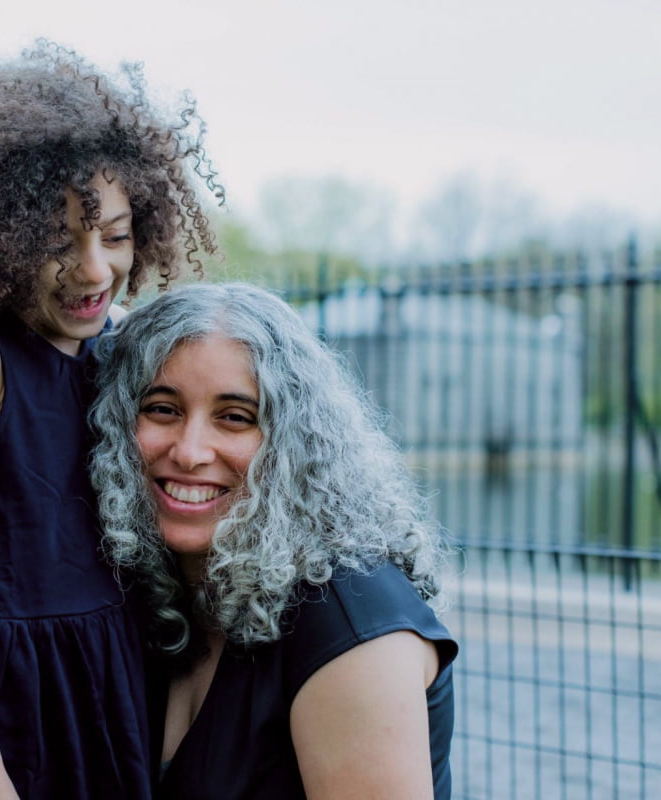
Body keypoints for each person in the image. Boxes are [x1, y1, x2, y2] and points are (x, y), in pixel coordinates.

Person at [0, 40, 222, 800]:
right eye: (59, 243)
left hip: (106, 676)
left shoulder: (125, 343)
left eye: (117, 236)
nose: (94, 267)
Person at [90, 283, 459, 800]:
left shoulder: (349, 620)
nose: (191, 451)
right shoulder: (158, 593)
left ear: (296, 444)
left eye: (235, 417)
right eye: (162, 408)